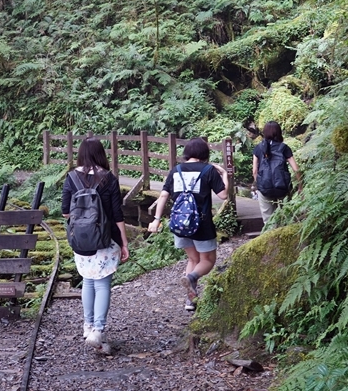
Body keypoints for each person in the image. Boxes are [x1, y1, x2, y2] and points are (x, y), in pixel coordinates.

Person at [61, 136, 130, 354]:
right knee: (102, 284)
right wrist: (124, 242)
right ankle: (98, 330)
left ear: (81, 153)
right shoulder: (108, 178)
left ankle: (88, 326)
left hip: (81, 241)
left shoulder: (71, 177)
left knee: (88, 281)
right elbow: (117, 214)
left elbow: (65, 211)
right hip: (105, 239)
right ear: (101, 154)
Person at [147, 138, 228, 311]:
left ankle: (190, 300)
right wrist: (225, 175)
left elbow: (163, 196)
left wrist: (156, 219)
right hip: (202, 223)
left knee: (193, 258)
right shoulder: (208, 170)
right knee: (208, 260)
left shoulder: (176, 170)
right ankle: (191, 278)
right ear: (204, 154)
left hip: (180, 223)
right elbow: (224, 195)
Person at [253, 120, 300, 223]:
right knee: (287, 218)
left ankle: (270, 236)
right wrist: (300, 187)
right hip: (283, 187)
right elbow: (296, 169)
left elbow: (255, 170)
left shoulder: (258, 148)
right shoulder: (284, 148)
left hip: (264, 188)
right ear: (279, 132)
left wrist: (259, 185)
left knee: (268, 221)